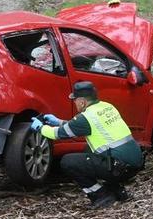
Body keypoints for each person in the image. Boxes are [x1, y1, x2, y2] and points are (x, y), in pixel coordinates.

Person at [31, 81, 145, 209]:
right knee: (89, 149)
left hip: (119, 167)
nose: (74, 103)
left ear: (82, 102)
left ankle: (101, 196)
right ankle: (118, 191)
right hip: (135, 163)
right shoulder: (107, 107)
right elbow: (80, 127)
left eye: (75, 100)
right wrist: (58, 121)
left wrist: (40, 128)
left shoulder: (86, 117)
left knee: (68, 162)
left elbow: (57, 134)